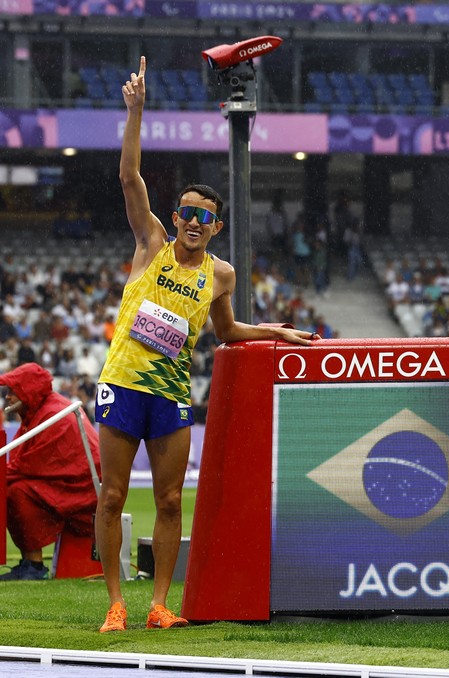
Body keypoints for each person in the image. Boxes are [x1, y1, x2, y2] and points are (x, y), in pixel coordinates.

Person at [94, 56, 319, 634]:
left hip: (171, 395)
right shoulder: (152, 244)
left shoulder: (220, 274)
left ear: (216, 227)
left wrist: (275, 331)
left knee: (170, 502)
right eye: (188, 213)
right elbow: (128, 179)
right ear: (175, 217)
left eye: (206, 217)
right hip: (123, 384)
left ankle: (160, 605)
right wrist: (136, 113)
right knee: (114, 494)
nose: (194, 222)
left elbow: (227, 333)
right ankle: (116, 603)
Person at [1, 363, 101, 581]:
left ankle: (34, 564)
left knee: (15, 491)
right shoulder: (41, 411)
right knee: (13, 486)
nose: (7, 397)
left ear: (28, 390)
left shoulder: (53, 415)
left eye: (12, 390)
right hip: (75, 486)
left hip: (84, 494)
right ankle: (29, 561)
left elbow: (26, 466)